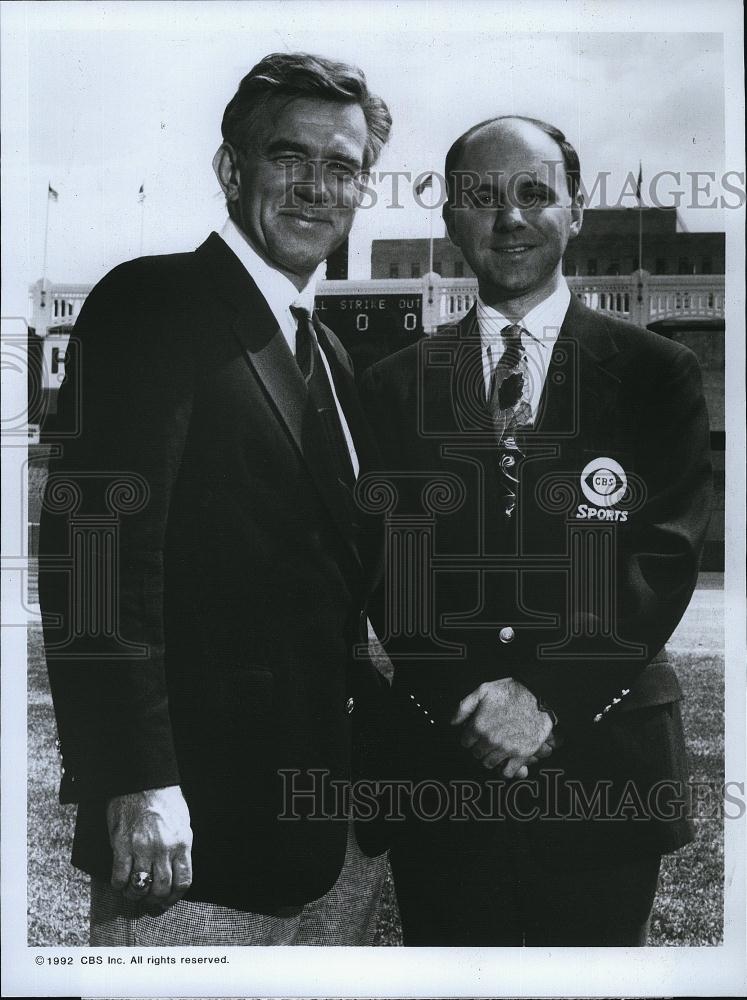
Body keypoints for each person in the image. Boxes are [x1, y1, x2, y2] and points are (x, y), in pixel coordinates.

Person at [38, 51, 392, 946]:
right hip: (193, 839)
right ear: (232, 169)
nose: (316, 187)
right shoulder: (154, 303)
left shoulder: (328, 353)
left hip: (336, 834)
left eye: (342, 167)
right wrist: (135, 779)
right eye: (289, 156)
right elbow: (95, 561)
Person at [359, 115, 713, 945]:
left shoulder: (655, 373)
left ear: (575, 209)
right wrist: (473, 705)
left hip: (606, 766)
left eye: (533, 193)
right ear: (450, 217)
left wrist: (548, 695)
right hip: (446, 764)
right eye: (481, 196)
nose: (509, 217)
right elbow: (387, 572)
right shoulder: (393, 387)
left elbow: (663, 555)